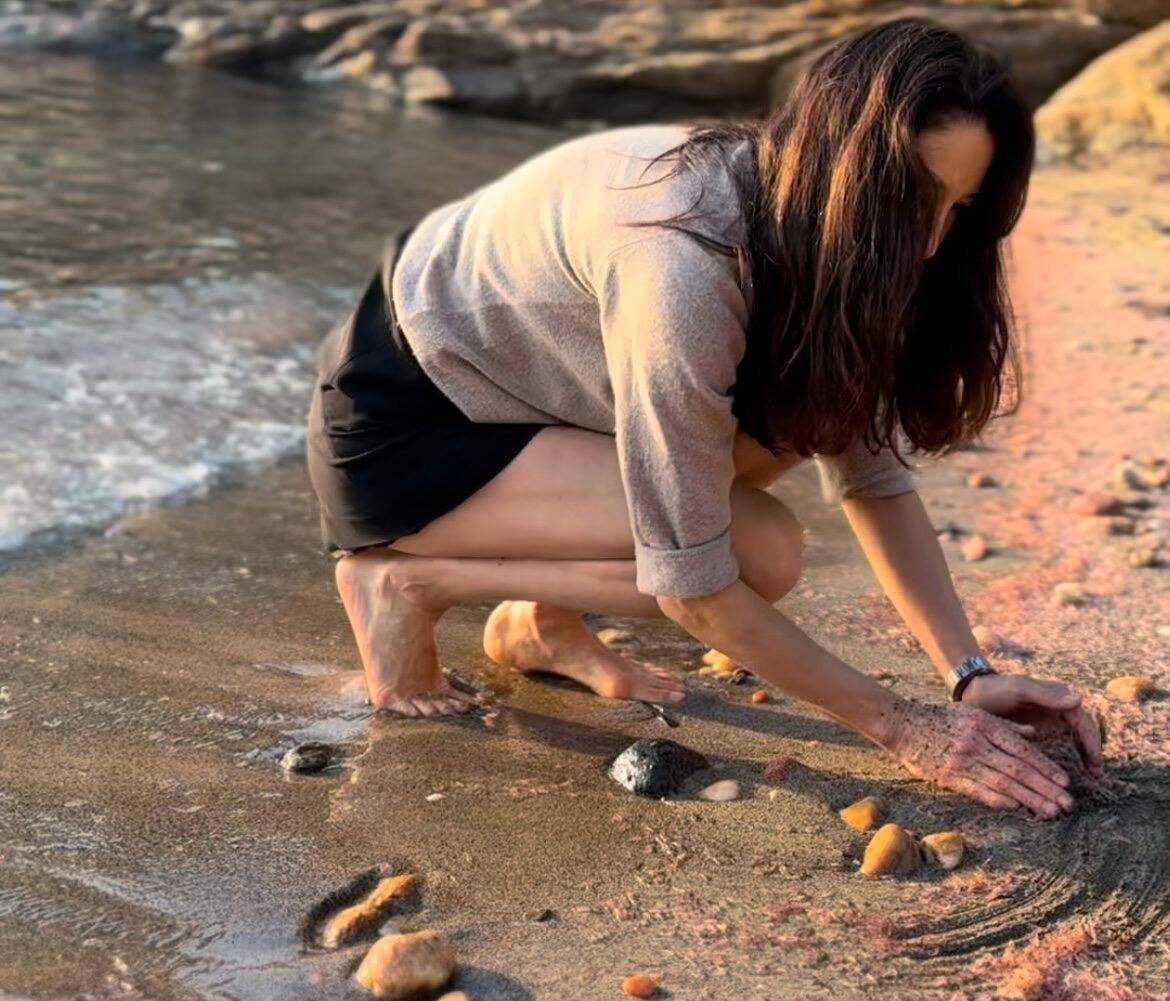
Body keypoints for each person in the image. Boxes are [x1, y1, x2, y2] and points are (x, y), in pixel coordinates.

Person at [305, 18, 1103, 819]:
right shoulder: (686, 260)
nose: (932, 243)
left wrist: (968, 675)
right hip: (409, 417)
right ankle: (405, 583)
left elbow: (871, 476)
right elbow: (691, 588)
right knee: (758, 552)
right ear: (846, 167)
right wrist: (905, 728)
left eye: (959, 207)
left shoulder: (817, 226)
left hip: (534, 389)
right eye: (916, 199)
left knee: (789, 419)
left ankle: (540, 623)